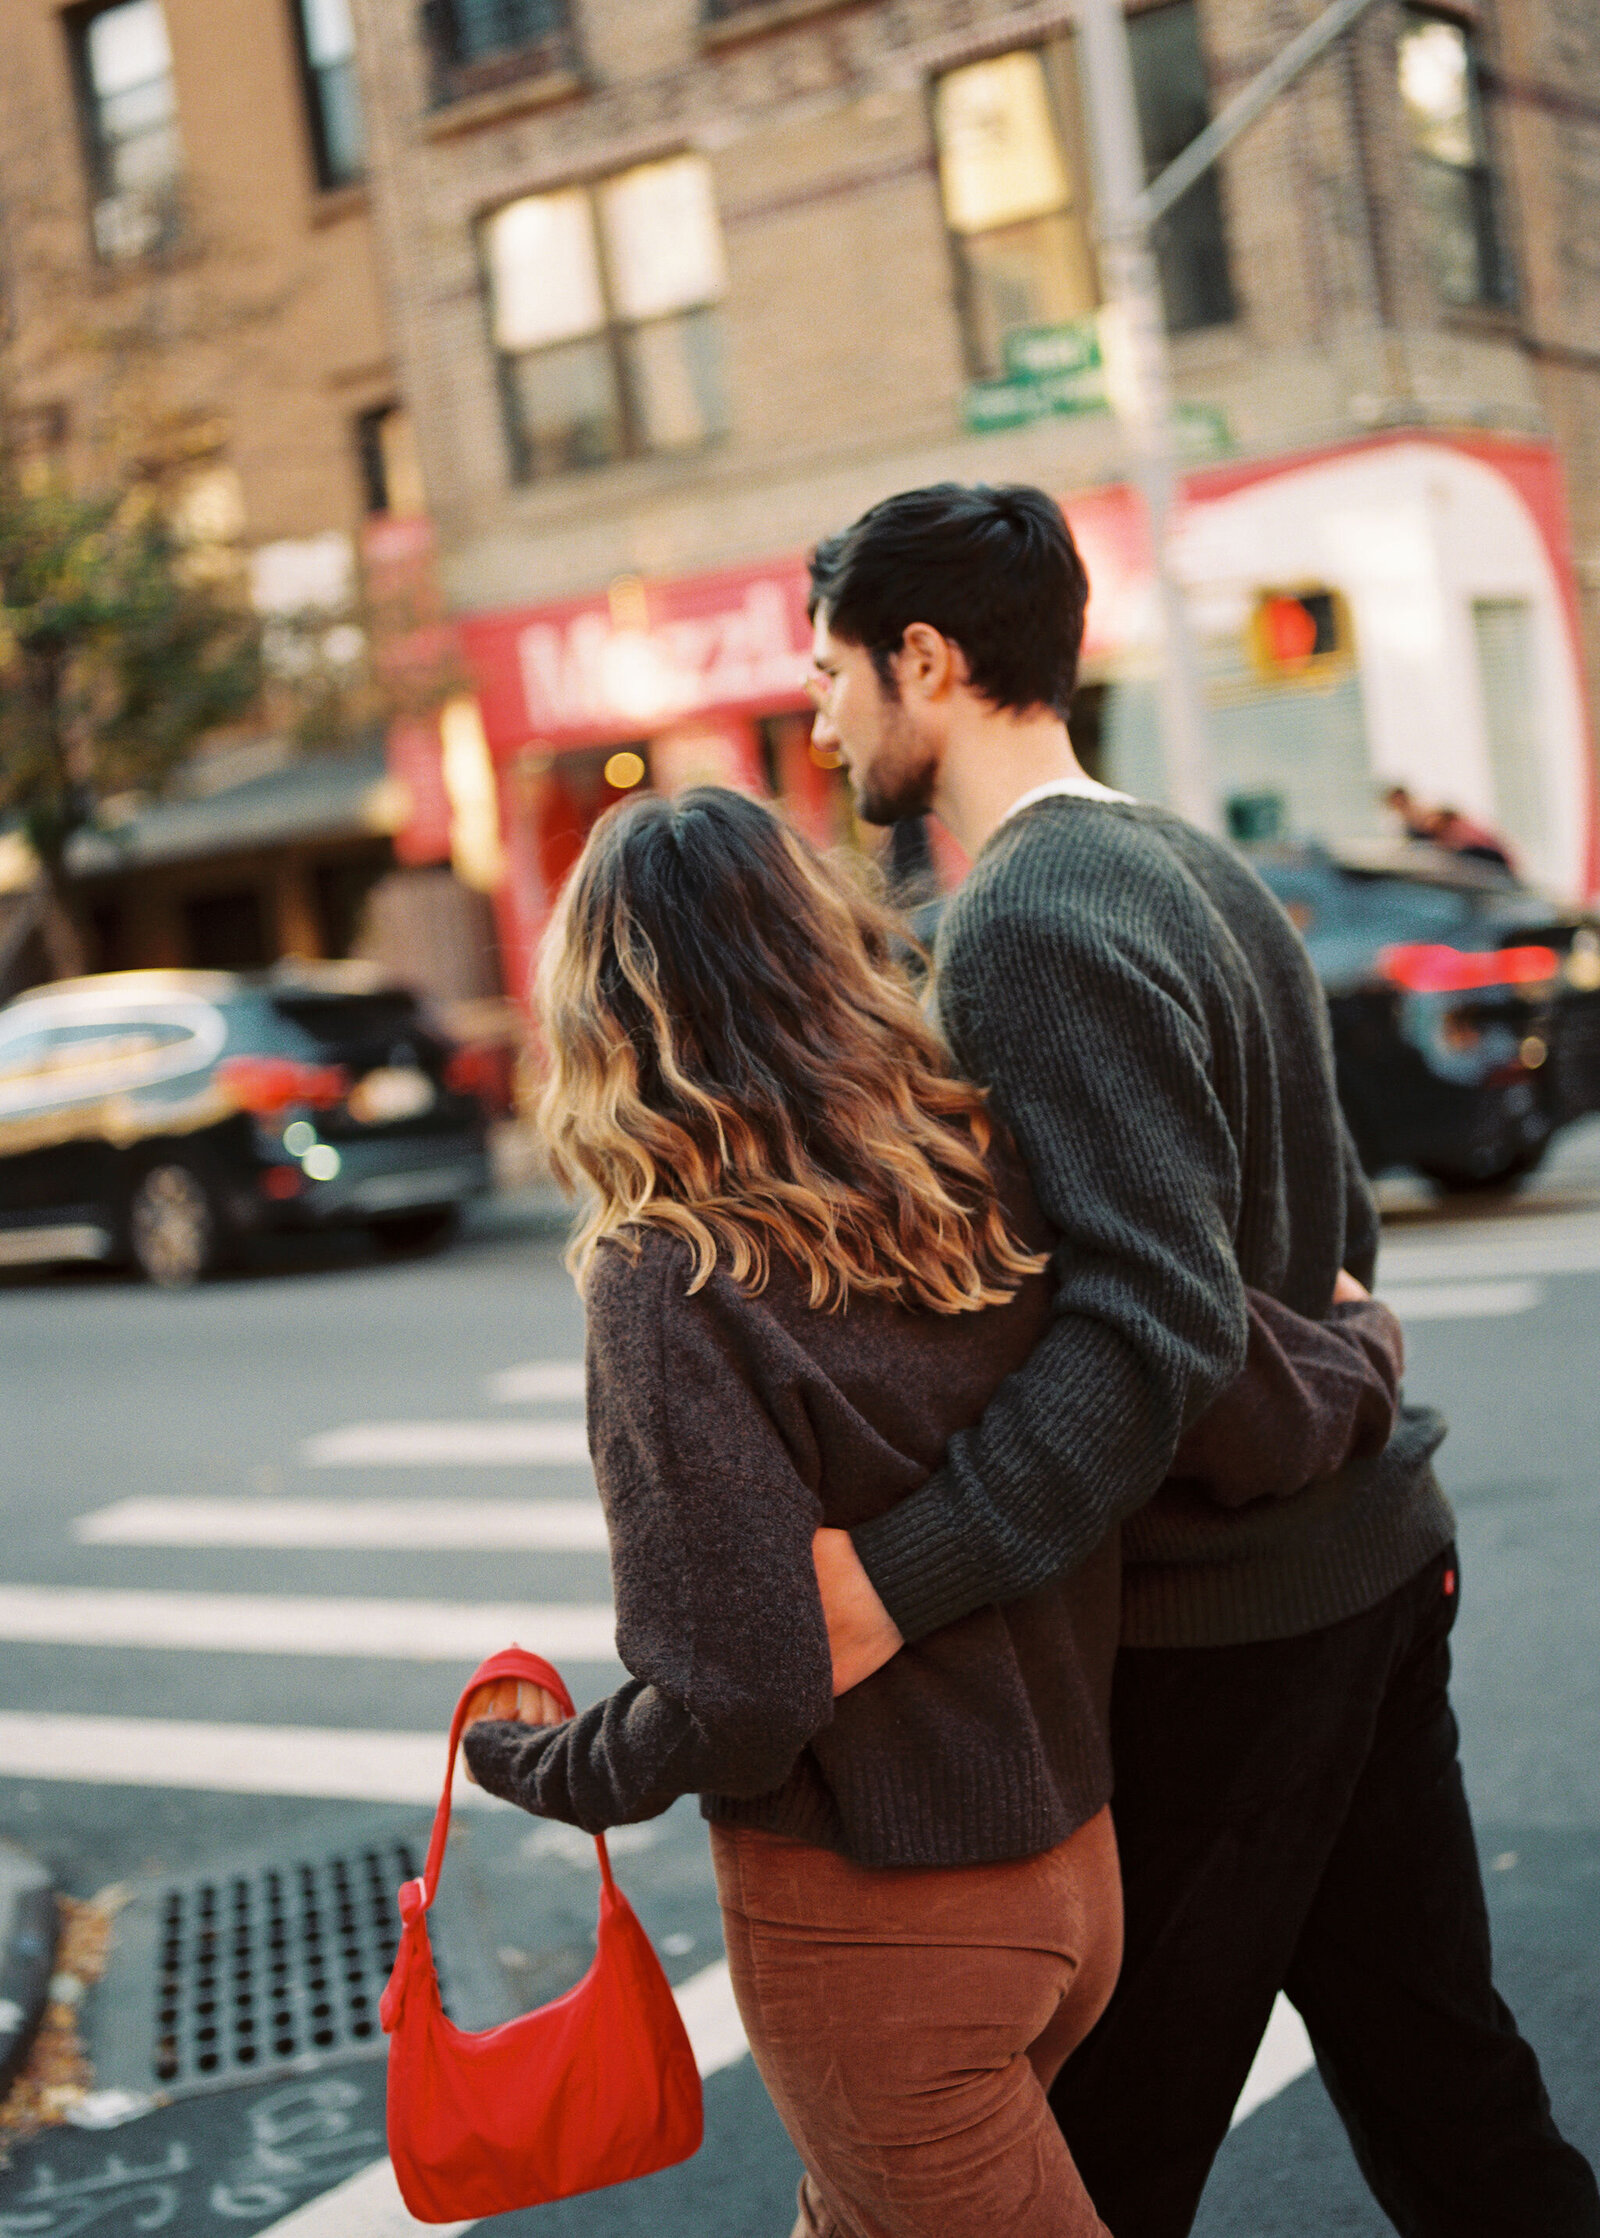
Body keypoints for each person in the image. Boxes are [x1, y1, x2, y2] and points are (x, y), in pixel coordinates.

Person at [804, 483, 1600, 2238]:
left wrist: (888, 1584)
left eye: (833, 673)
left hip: (1233, 1629)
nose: (820, 718)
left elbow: (1142, 1335)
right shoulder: (1199, 862)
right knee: (1445, 2082)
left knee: (1094, 2162)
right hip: (1375, 1566)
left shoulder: (1020, 925)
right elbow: (1329, 1254)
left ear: (924, 661)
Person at [458, 787, 1405, 2238]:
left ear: (601, 1010)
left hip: (882, 1927)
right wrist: (1363, 1354)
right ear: (820, 941)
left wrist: (549, 1765)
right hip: (1073, 1874)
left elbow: (744, 1689)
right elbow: (1185, 1368)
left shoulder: (670, 1277)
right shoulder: (970, 1164)